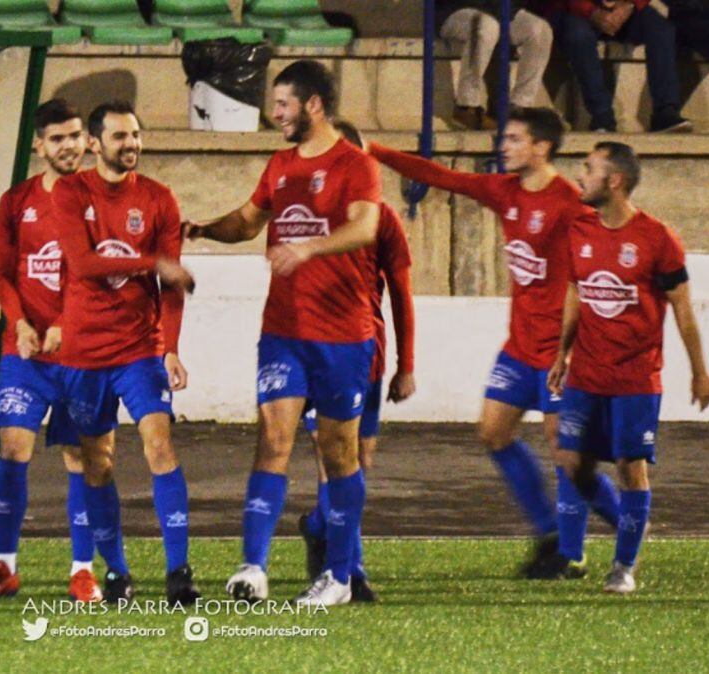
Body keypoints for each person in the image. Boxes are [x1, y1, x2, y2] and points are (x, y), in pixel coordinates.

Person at [368, 108, 622, 577]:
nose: (503, 145)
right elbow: (440, 175)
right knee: (493, 432)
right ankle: (550, 534)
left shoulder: (569, 204)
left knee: (566, 452)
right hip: (520, 347)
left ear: (541, 147)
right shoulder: (505, 191)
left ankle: (612, 532)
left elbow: (595, 275)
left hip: (561, 353)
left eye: (514, 138)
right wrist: (376, 150)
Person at [187, 61, 383, 607]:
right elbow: (249, 221)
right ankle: (253, 567)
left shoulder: (356, 166)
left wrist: (309, 248)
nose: (274, 115)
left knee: (340, 453)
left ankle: (340, 577)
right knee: (272, 440)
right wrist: (204, 229)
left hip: (343, 335)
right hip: (284, 331)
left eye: (283, 105)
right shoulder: (279, 164)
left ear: (313, 105)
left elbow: (366, 225)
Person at [51, 100, 199, 606]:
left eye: (135, 135)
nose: (131, 145)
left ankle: (179, 571)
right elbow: (84, 262)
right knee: (98, 464)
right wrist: (153, 261)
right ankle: (116, 571)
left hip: (140, 348)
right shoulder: (70, 192)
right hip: (84, 352)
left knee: (159, 443)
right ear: (95, 143)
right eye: (119, 137)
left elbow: (173, 284)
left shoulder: (159, 199)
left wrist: (172, 349)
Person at [546, 141, 709, 593]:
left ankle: (623, 566)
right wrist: (562, 352)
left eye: (588, 169)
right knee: (570, 459)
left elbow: (682, 309)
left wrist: (700, 371)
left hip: (636, 379)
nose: (580, 176)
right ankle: (605, 535)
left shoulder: (657, 239)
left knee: (629, 466)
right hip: (586, 376)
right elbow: (577, 293)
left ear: (613, 181)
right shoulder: (580, 230)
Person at [0, 99, 101, 603]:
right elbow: (3, 273)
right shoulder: (16, 201)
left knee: (79, 456)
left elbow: (100, 277)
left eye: (75, 136)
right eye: (58, 138)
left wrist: (69, 325)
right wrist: (19, 322)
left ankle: (82, 569)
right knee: (12, 450)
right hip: (23, 354)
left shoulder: (98, 200)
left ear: (87, 141)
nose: (68, 146)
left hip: (81, 354)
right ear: (39, 145)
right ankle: (5, 566)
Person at [296, 120, 416, 600]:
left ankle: (319, 527)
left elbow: (402, 294)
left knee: (358, 462)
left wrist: (407, 364)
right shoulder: (304, 213)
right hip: (315, 352)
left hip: (367, 353)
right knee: (334, 461)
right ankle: (351, 571)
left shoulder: (383, 220)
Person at [549, 0, 691, 132]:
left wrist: (629, 5)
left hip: (625, 8)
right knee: (578, 36)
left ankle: (665, 111)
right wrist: (591, 12)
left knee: (661, 29)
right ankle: (602, 115)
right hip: (576, 11)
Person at [437, 1, 554, 130]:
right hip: (457, 9)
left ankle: (519, 107)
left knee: (540, 29)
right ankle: (466, 106)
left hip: (503, 10)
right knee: (486, 25)